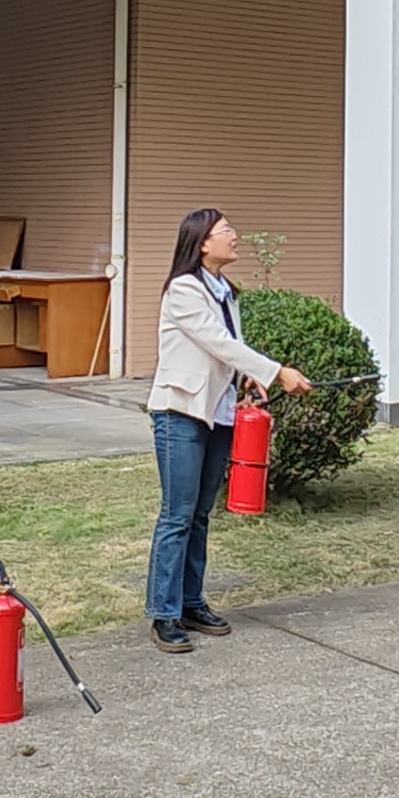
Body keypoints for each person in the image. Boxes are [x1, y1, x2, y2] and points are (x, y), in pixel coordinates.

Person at [141, 207, 307, 649]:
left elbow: (229, 350)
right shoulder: (184, 288)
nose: (235, 237)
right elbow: (217, 342)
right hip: (180, 413)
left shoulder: (225, 291)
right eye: (226, 230)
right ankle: (164, 613)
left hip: (217, 414)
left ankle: (191, 602)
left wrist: (247, 376)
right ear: (202, 244)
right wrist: (277, 372)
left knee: (199, 514)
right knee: (177, 515)